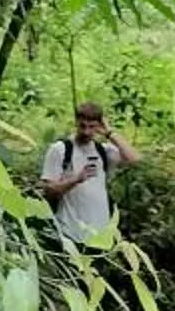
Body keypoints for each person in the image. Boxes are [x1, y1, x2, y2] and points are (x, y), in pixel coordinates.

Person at [40, 102, 137, 244]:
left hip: (100, 235)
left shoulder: (103, 151)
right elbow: (48, 190)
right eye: (82, 126)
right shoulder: (60, 149)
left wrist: (109, 133)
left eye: (92, 127)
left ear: (98, 126)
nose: (86, 132)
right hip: (70, 233)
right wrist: (76, 180)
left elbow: (133, 159)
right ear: (76, 123)